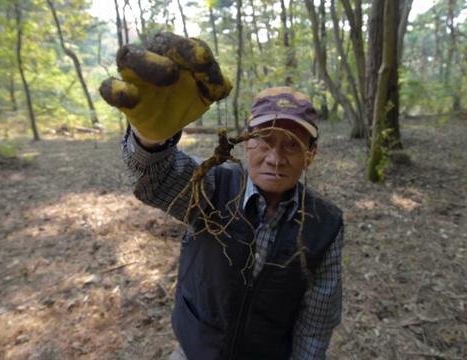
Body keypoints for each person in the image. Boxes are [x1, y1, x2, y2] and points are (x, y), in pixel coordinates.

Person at [101, 33, 343, 360]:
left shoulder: (325, 223)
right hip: (194, 351)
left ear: (310, 155)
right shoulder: (213, 185)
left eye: (292, 145)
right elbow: (156, 181)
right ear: (245, 143)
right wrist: (150, 139)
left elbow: (317, 318)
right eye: (264, 140)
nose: (275, 157)